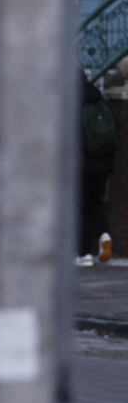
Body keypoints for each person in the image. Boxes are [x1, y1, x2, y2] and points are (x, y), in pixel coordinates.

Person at [78, 73, 117, 266]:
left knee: (78, 205)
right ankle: (104, 237)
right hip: (103, 163)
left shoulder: (72, 102)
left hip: (82, 164)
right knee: (95, 202)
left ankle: (83, 254)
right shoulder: (99, 98)